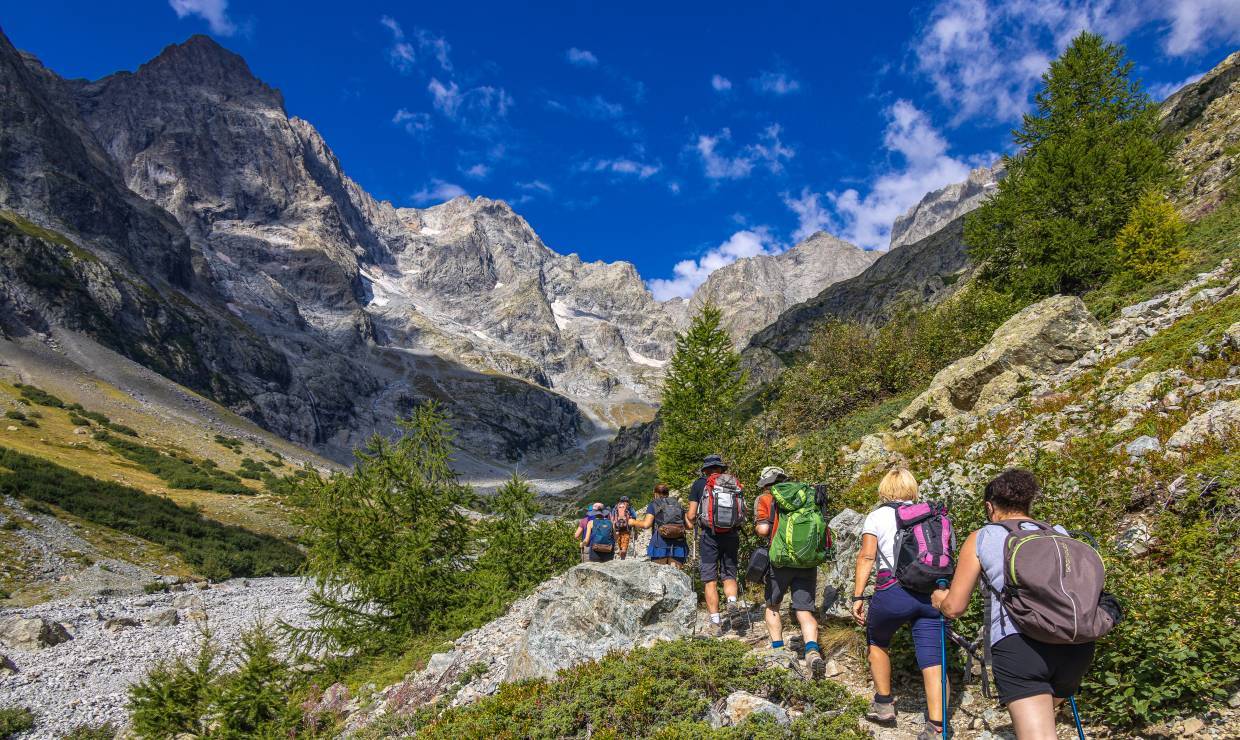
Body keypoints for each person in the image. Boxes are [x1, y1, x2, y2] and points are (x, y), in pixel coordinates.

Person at [931, 469, 1099, 740]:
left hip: (1020, 645)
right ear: (1028, 503)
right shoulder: (1058, 532)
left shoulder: (982, 537)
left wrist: (940, 600)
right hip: (1076, 644)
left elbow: (955, 607)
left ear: (989, 506)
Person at [852, 468, 947, 740]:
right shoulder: (930, 514)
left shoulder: (877, 515)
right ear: (911, 489)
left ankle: (884, 704)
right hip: (931, 592)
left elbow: (866, 557)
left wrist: (858, 597)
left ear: (884, 489)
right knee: (933, 658)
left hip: (892, 590)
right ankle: (936, 726)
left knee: (878, 641)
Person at [754, 466, 825, 675]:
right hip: (807, 560)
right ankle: (812, 651)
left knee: (773, 605)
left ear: (766, 484)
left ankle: (779, 651)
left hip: (780, 560)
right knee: (804, 609)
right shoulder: (806, 494)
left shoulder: (766, 499)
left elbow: (764, 530)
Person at [686, 454, 741, 635]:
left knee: (710, 579)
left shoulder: (699, 484)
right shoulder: (732, 482)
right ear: (720, 468)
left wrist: (691, 521)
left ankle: (716, 622)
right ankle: (732, 601)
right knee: (729, 574)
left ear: (705, 470)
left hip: (710, 536)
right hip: (731, 534)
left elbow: (692, 515)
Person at [630, 483, 688, 565]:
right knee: (675, 576)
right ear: (668, 493)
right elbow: (689, 526)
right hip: (679, 546)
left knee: (658, 575)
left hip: (660, 545)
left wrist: (633, 522)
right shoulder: (677, 504)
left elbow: (646, 524)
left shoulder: (654, 504)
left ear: (655, 493)